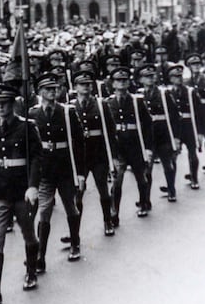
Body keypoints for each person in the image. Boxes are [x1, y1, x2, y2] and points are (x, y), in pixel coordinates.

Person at [0, 83, 42, 304]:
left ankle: (31, 271)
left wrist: (33, 186)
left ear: (13, 105)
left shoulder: (26, 127)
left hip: (21, 189)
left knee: (28, 233)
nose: (0, 108)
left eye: (4, 104)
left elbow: (36, 158)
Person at [28, 72, 86, 270]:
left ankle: (75, 243)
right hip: (45, 169)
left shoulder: (67, 112)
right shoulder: (33, 114)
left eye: (54, 89)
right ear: (39, 92)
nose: (52, 92)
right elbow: (30, 147)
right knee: (43, 211)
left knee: (71, 206)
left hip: (65, 168)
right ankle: (40, 257)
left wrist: (80, 172)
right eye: (47, 89)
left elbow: (79, 143)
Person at [67, 69, 119, 235]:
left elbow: (111, 131)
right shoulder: (69, 107)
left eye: (88, 84)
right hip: (79, 156)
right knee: (78, 193)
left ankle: (107, 221)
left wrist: (114, 156)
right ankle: (74, 232)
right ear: (75, 87)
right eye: (82, 85)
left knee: (102, 188)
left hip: (98, 153)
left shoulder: (101, 104)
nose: (86, 87)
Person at [105, 67, 153, 223]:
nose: (122, 83)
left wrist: (148, 147)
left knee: (141, 177)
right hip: (119, 147)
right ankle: (114, 212)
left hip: (135, 145)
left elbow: (147, 124)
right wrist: (110, 153)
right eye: (118, 80)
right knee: (117, 181)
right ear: (113, 84)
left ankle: (144, 203)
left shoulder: (136, 101)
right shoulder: (108, 103)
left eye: (124, 80)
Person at [138, 64, 180, 201]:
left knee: (167, 164)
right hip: (147, 136)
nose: (150, 79)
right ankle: (146, 200)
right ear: (141, 80)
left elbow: (174, 115)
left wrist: (176, 137)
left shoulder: (163, 93)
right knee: (146, 168)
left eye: (152, 76)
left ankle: (171, 190)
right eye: (146, 77)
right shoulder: (138, 95)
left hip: (163, 133)